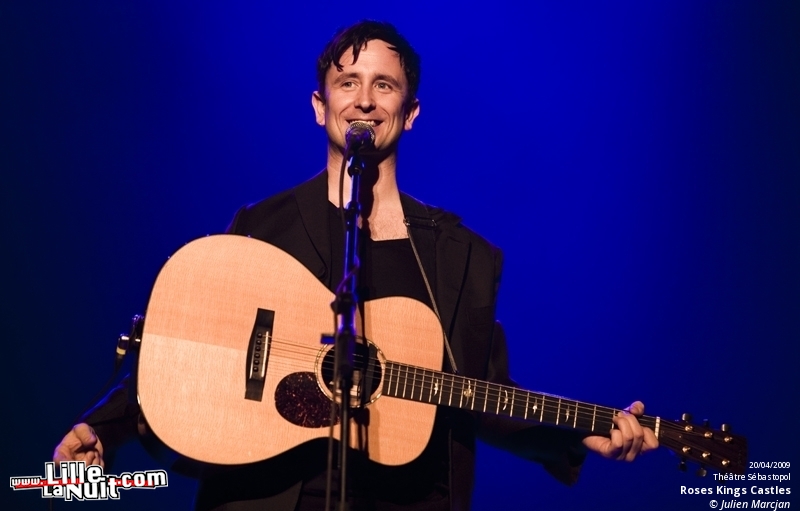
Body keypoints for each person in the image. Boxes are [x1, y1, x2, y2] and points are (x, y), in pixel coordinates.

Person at [54, 20, 658, 511]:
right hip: (265, 498)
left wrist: (580, 430)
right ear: (321, 106)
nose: (364, 99)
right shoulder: (264, 225)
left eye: (384, 85)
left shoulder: (463, 256)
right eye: (348, 82)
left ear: (411, 112)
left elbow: (481, 395)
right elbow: (196, 341)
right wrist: (107, 426)